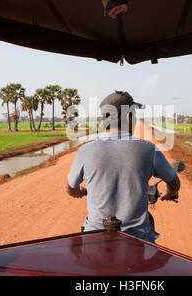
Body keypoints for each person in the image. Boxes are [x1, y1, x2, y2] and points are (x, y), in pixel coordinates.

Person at [66, 91, 180, 243]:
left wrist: (80, 191)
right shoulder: (149, 150)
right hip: (137, 238)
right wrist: (170, 192)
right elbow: (174, 182)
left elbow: (70, 188)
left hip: (94, 237)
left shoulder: (85, 151)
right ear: (128, 117)